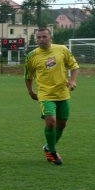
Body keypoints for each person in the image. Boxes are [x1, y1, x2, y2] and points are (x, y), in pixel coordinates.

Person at [24, 28, 80, 166]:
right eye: (38, 37)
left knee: (62, 124)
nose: (41, 39)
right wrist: (31, 92)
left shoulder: (62, 50)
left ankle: (48, 147)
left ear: (51, 38)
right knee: (51, 122)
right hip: (45, 94)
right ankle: (52, 153)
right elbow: (28, 76)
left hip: (62, 93)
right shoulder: (32, 56)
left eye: (44, 36)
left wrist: (73, 81)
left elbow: (74, 66)